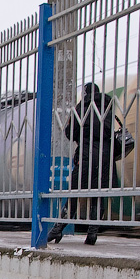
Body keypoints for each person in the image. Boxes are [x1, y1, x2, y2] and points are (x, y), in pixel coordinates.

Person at [48, 82, 119, 246]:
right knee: (99, 195)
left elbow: (69, 133)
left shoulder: (81, 108)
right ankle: (92, 234)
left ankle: (58, 229)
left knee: (75, 193)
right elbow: (109, 130)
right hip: (105, 157)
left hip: (86, 156)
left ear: (85, 93)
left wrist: (83, 132)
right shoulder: (107, 106)